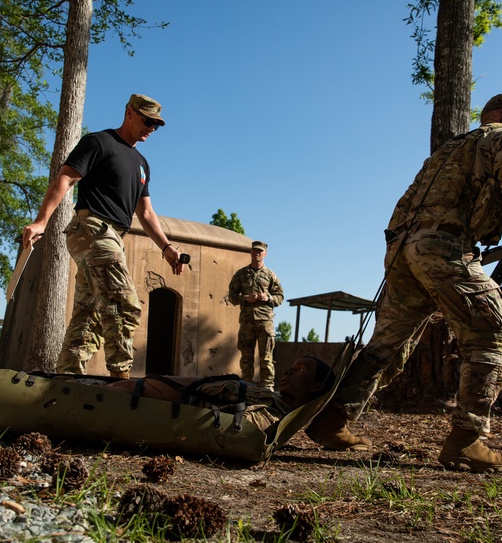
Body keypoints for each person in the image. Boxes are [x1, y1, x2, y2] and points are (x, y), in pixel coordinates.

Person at [305, 93, 502, 474]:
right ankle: (466, 442)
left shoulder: (451, 147)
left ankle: (332, 420)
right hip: (443, 246)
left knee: (385, 345)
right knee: (490, 338)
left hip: (403, 250)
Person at [22, 94, 185, 378]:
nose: (151, 128)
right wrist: (41, 221)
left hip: (113, 238)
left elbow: (145, 213)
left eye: (156, 125)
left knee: (89, 314)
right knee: (124, 305)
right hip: (92, 230)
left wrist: (167, 247)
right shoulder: (99, 142)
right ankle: (120, 381)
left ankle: (65, 381)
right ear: (130, 113)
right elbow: (66, 178)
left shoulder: (142, 164)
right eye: (148, 121)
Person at [94, 356, 333, 431]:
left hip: (179, 401)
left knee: (113, 392)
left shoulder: (275, 414)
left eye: (301, 369)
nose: (290, 369)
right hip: (180, 388)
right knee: (111, 388)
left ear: (316, 386)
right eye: (293, 365)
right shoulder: (275, 399)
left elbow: (239, 429)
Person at [228, 241, 284, 389]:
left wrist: (268, 298)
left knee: (266, 358)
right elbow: (231, 296)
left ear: (265, 254)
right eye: (255, 251)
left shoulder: (270, 275)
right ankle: (247, 387)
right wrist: (245, 298)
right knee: (246, 358)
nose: (257, 253)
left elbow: (280, 297)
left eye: (260, 251)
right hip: (247, 321)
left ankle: (267, 389)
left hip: (265, 321)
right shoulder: (241, 274)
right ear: (251, 252)